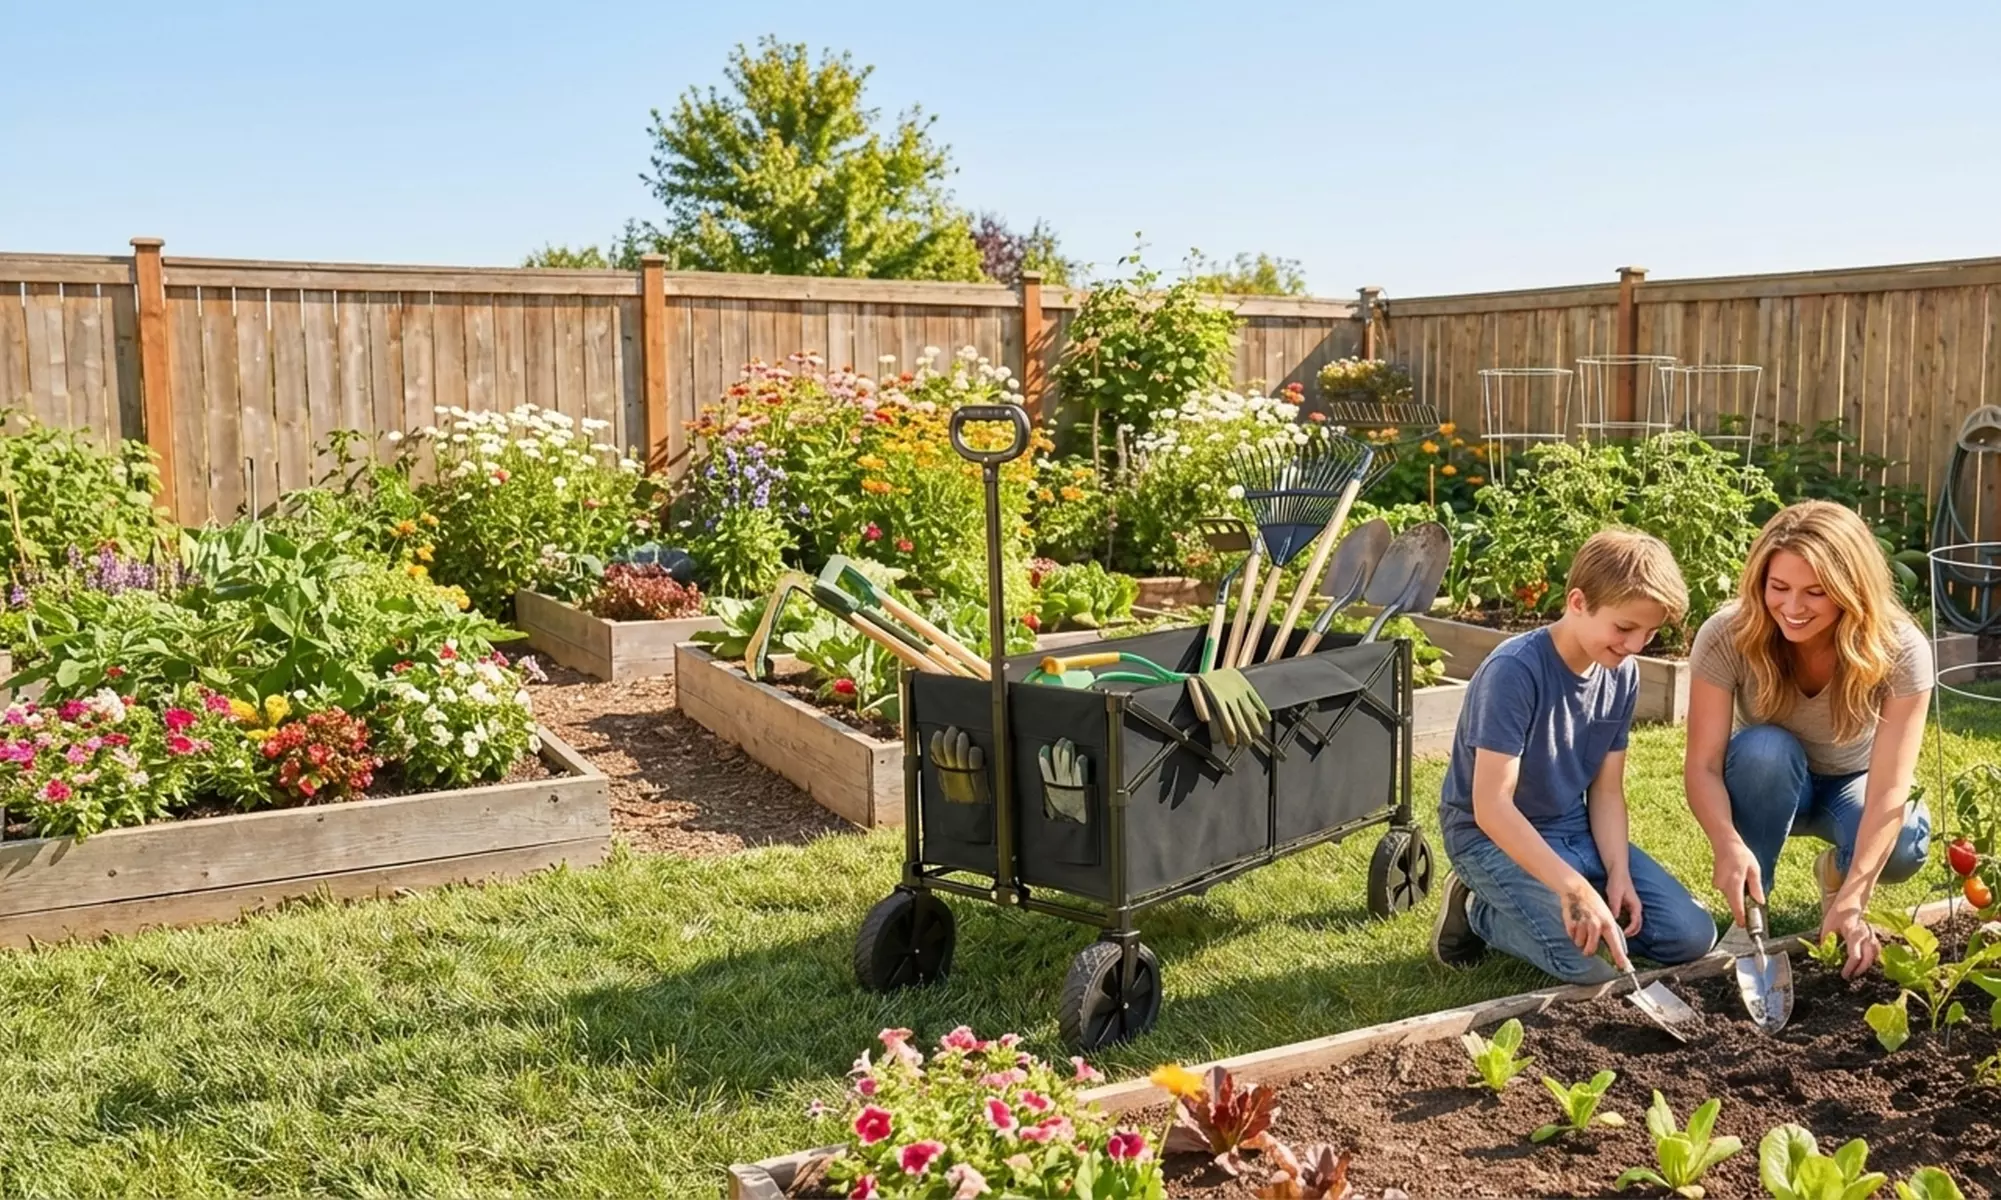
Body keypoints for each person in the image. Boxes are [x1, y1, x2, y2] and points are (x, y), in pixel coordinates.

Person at [1431, 529, 1717, 983]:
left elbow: (1607, 792)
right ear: (1578, 602)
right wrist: (1575, 888)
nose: (1635, 646)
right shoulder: (1514, 671)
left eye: (1650, 633)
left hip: (1571, 830)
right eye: (1624, 628)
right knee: (1585, 961)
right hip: (1487, 838)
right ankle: (1476, 909)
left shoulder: (1622, 674)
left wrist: (1618, 874)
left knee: (1692, 937)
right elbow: (1491, 807)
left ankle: (1563, 901)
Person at [1683, 500, 1933, 980]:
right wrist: (1726, 843)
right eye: (1779, 588)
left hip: (1855, 784)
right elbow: (1703, 766)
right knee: (1765, 750)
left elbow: (1889, 791)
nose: (1793, 608)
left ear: (1851, 590)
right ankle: (1751, 907)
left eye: (1816, 592)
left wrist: (1855, 899)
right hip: (1768, 785)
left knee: (1904, 842)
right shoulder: (1727, 634)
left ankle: (1839, 876)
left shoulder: (1900, 648)